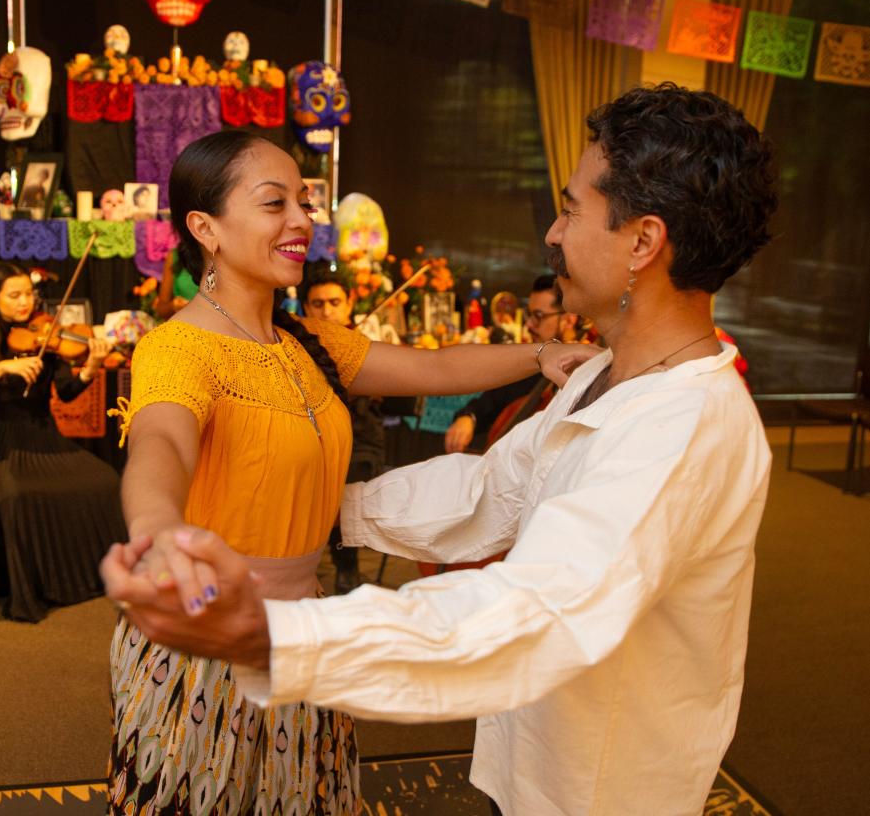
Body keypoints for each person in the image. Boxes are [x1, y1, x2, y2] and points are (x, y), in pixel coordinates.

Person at [103, 84, 778, 816]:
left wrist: (276, 632)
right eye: (276, 203)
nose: (551, 234)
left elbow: (538, 610)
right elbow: (491, 492)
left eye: (569, 209)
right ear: (205, 226)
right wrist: (286, 520)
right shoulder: (606, 381)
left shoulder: (682, 424)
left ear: (642, 242)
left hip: (598, 785)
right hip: (527, 752)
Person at [103, 130, 596, 814]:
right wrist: (156, 527)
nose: (302, 221)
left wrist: (539, 354)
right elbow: (160, 441)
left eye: (303, 203)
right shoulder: (178, 349)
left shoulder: (307, 339)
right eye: (274, 203)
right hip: (209, 638)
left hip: (303, 629)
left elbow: (432, 367)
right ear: (204, 228)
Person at [0, 262, 126, 622]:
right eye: (14, 296)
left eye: (28, 294)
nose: (24, 302)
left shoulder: (47, 334)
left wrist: (90, 368)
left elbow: (66, 390)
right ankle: (30, 585)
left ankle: (85, 575)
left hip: (46, 435)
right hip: (2, 440)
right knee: (15, 493)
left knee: (106, 479)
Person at [302, 272, 383, 593]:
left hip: (358, 446)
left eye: (334, 303)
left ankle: (346, 568)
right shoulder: (295, 348)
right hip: (310, 445)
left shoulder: (363, 348)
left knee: (340, 485)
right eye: (318, 304)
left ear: (349, 305)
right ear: (306, 307)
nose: (327, 312)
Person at [444, 273, 580, 454]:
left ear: (569, 320)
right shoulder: (531, 363)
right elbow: (488, 401)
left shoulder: (586, 375)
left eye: (538, 316)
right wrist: (468, 418)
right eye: (529, 315)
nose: (529, 325)